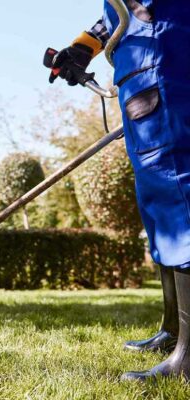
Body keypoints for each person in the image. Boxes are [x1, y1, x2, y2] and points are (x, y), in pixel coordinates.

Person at [46, 0, 190, 381]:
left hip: (164, 55)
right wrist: (82, 47)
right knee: (160, 203)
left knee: (178, 193)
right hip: (140, 69)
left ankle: (189, 358)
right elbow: (117, 13)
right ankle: (175, 330)